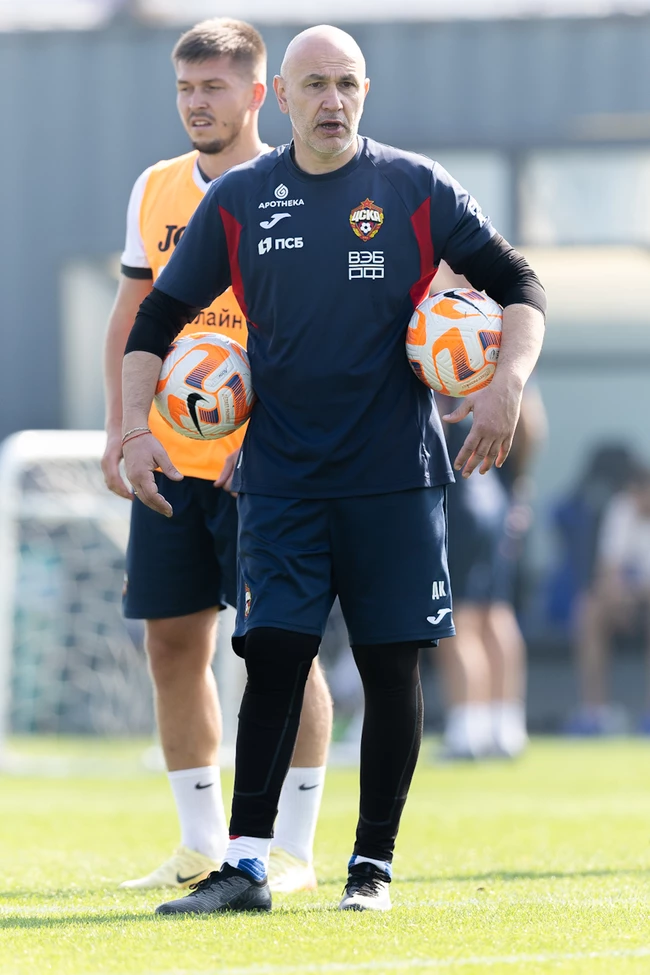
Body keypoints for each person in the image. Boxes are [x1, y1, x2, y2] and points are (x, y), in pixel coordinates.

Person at [120, 24, 546, 913]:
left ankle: (371, 867)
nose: (332, 101)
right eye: (314, 84)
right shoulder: (240, 198)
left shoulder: (415, 186)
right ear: (281, 96)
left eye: (346, 83)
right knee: (274, 656)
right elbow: (157, 316)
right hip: (280, 479)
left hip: (395, 479)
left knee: (391, 667)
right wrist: (131, 429)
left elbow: (519, 284)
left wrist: (505, 384)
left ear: (365, 92)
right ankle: (244, 863)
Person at [101, 18, 333, 894]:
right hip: (169, 458)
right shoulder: (154, 187)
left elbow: (322, 333)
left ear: (258, 93)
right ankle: (199, 841)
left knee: (281, 650)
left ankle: (293, 848)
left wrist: (276, 438)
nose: (197, 104)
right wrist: (122, 427)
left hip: (266, 468)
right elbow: (132, 316)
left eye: (214, 88)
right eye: (185, 89)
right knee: (170, 642)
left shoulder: (296, 186)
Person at [436, 385, 547, 760]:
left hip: (458, 491)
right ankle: (505, 729)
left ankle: (467, 732)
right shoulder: (502, 353)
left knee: (458, 616)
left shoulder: (435, 347)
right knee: (496, 612)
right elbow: (530, 420)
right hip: (495, 494)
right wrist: (516, 483)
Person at [570, 464, 650, 733]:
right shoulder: (622, 508)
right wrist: (617, 592)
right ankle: (595, 713)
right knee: (589, 609)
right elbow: (607, 570)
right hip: (627, 602)